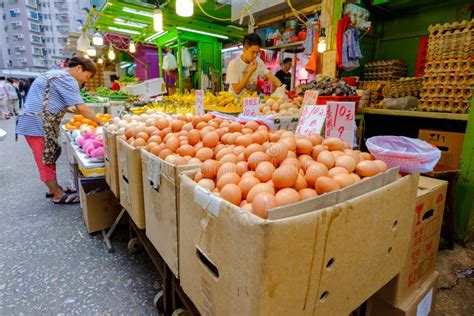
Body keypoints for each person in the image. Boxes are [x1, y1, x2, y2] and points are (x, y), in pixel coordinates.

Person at [16, 56, 103, 204]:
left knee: (49, 154)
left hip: (33, 121)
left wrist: (68, 110)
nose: (84, 81)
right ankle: (57, 194)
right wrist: (102, 123)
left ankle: (53, 188)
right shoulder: (68, 79)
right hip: (38, 124)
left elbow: (47, 98)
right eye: (86, 76)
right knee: (45, 159)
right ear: (78, 68)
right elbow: (81, 108)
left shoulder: (54, 74)